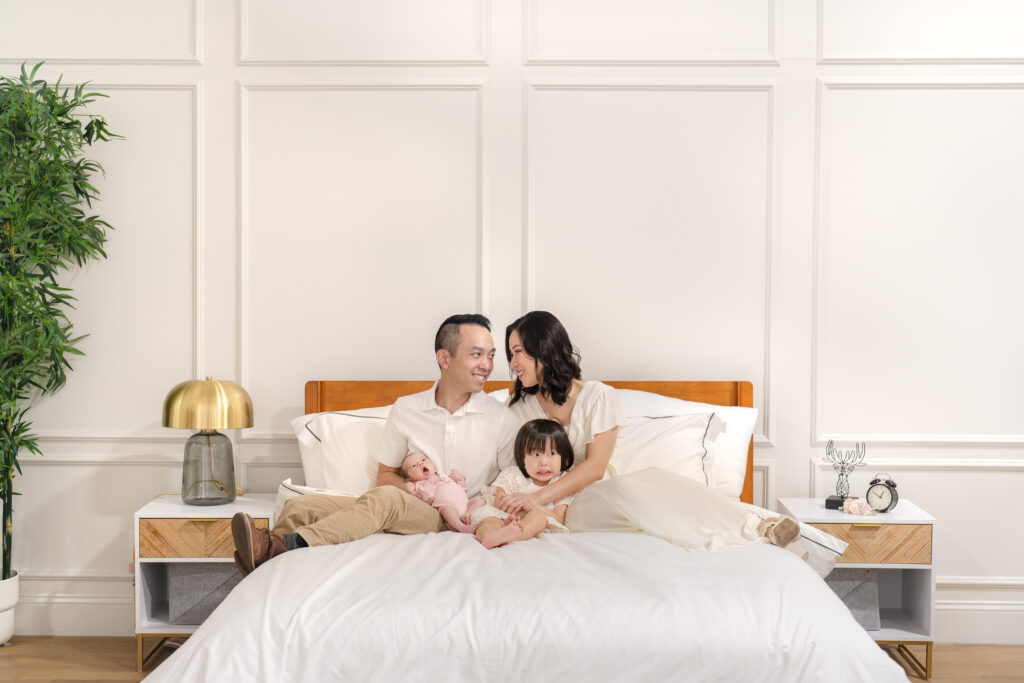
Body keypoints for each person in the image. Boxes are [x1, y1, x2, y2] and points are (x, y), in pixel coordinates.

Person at [497, 310, 805, 558]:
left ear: (544, 349)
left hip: (594, 496)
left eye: (519, 352)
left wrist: (535, 496)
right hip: (566, 512)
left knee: (648, 485)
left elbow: (594, 468)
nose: (512, 364)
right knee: (636, 499)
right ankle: (755, 530)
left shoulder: (597, 396)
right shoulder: (521, 409)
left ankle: (760, 528)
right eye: (511, 354)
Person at [232, 314, 520, 575]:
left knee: (385, 499)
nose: (488, 365)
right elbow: (386, 475)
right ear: (444, 359)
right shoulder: (407, 409)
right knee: (300, 507)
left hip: (453, 518)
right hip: (413, 506)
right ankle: (266, 564)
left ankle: (287, 545)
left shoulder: (501, 418)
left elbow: (512, 483)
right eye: (477, 354)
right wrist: (410, 490)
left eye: (491, 356)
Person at [472, 418, 577, 549]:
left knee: (539, 517)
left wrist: (533, 508)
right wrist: (511, 519)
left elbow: (559, 518)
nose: (543, 462)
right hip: (503, 517)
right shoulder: (513, 474)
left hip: (533, 522)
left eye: (551, 453)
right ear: (522, 457)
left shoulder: (561, 483)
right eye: (535, 454)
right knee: (488, 521)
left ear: (563, 456)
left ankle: (515, 535)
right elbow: (499, 504)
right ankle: (490, 537)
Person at [400, 453, 484, 534]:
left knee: (479, 500)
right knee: (446, 510)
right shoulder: (420, 485)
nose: (421, 463)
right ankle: (461, 527)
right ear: (410, 479)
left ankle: (467, 515)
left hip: (466, 505)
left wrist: (461, 479)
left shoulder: (444, 476)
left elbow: (463, 489)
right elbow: (427, 499)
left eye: (423, 460)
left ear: (435, 467)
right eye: (414, 466)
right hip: (448, 509)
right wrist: (427, 485)